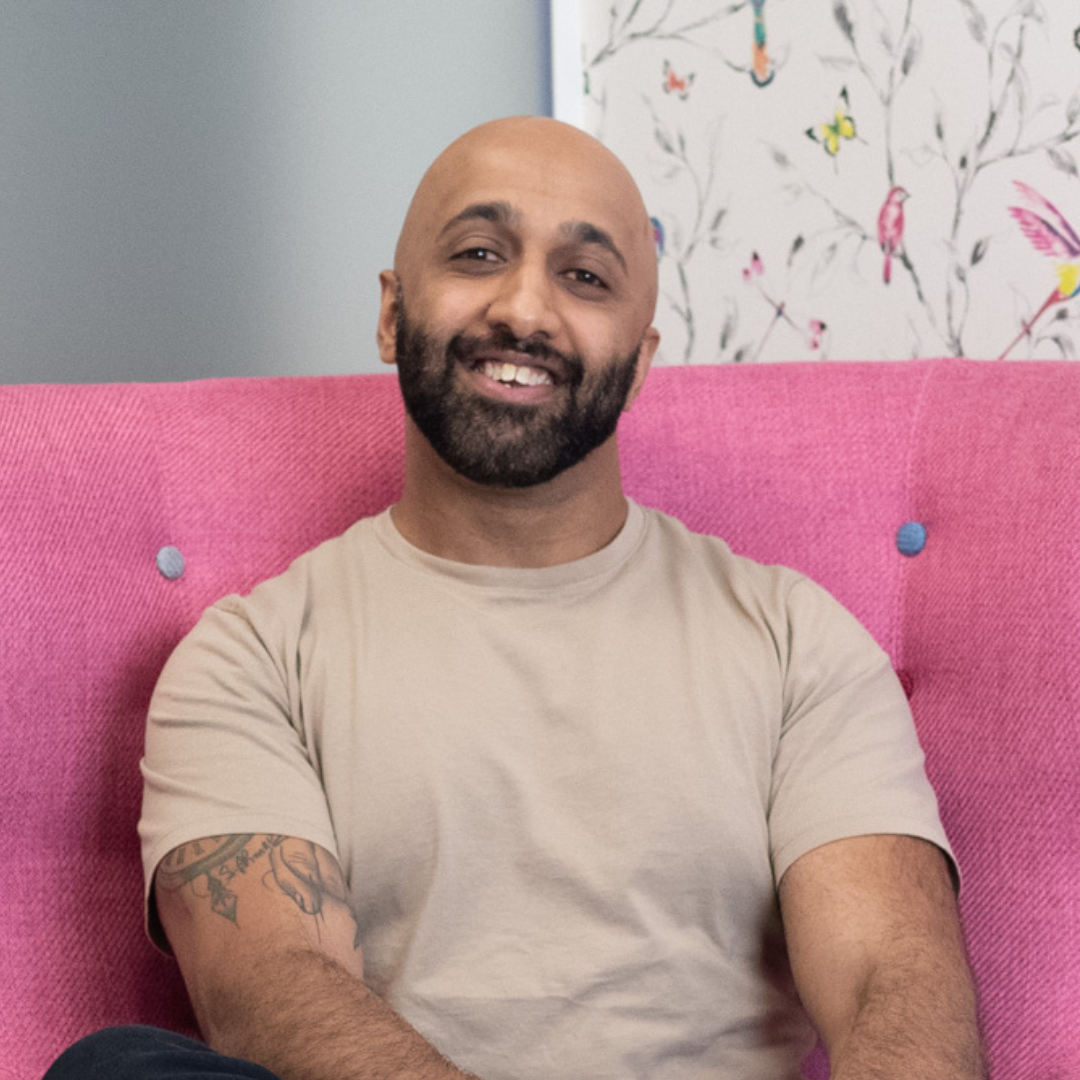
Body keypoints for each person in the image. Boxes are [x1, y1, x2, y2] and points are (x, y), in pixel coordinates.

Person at [46, 116, 985, 1080]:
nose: (525, 310)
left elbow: (890, 980)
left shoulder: (800, 646)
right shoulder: (248, 661)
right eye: (479, 254)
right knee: (118, 1070)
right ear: (390, 313)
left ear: (643, 355)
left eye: (585, 277)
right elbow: (271, 987)